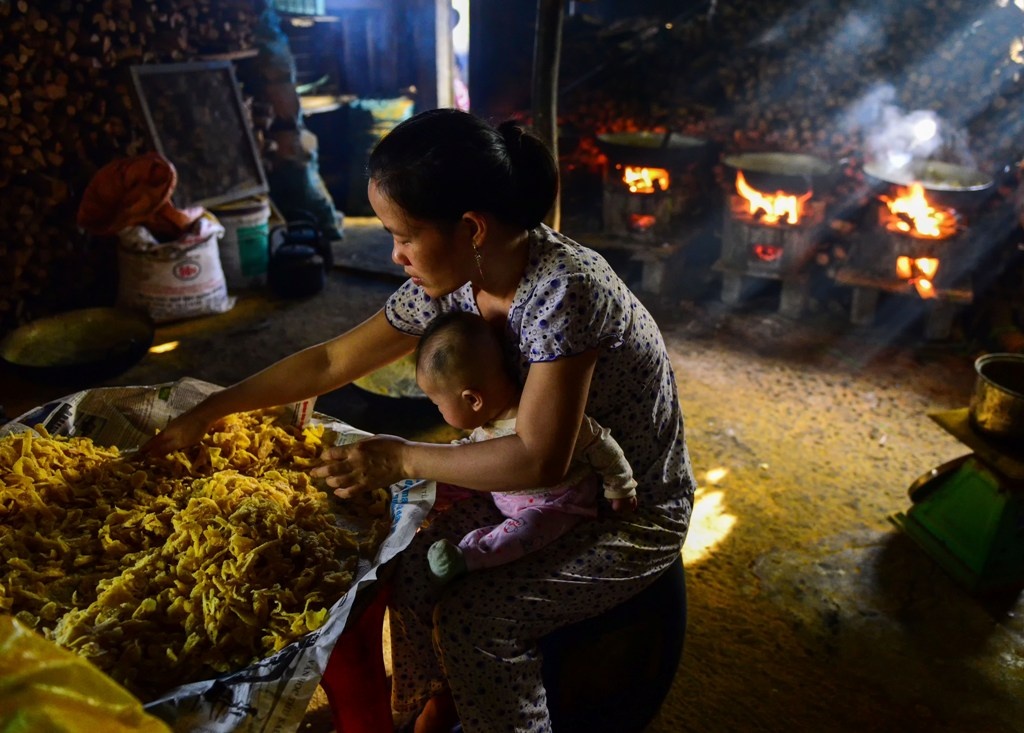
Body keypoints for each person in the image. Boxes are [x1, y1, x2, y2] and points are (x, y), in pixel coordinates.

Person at [142, 107, 696, 733]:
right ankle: (439, 704)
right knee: (410, 563)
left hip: (622, 505)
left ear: (471, 228)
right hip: (523, 489)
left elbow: (541, 456)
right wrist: (208, 410)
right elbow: (332, 359)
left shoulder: (564, 292)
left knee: (476, 619)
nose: (395, 254)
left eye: (403, 235)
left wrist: (398, 455)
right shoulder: (455, 281)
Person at [413, 309, 638, 584]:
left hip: (555, 504)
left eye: (438, 404)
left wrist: (621, 485)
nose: (438, 411)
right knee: (453, 472)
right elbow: (467, 453)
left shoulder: (546, 419)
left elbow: (600, 442)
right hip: (503, 491)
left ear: (473, 400)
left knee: (525, 531)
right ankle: (419, 498)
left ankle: (468, 556)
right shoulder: (487, 424)